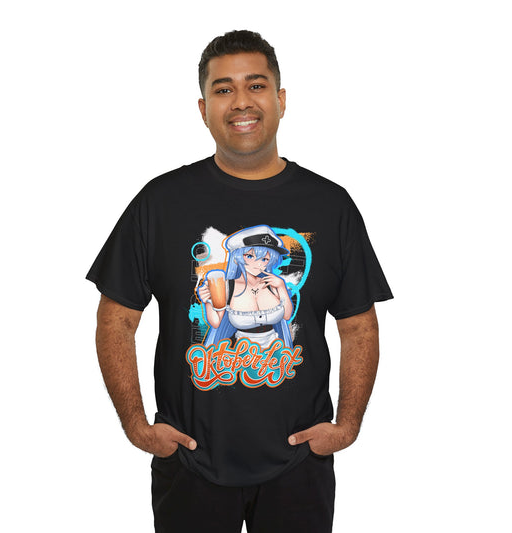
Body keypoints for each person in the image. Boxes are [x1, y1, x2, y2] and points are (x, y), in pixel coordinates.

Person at [87, 29, 393, 533]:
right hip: (190, 461)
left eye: (256, 85)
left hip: (300, 461)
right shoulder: (160, 203)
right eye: (223, 89)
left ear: (281, 99)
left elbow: (359, 325)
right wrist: (137, 426)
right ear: (203, 108)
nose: (241, 102)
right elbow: (116, 320)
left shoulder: (331, 205)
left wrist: (348, 425)